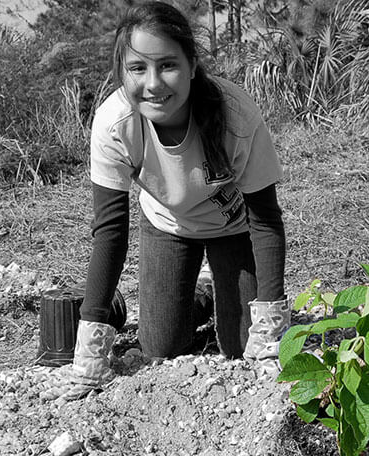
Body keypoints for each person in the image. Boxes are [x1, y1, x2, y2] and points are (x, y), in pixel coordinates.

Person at [55, 1, 289, 400]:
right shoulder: (115, 124)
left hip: (234, 229)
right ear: (120, 72)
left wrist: (269, 328)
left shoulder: (236, 115)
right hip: (168, 226)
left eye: (167, 65)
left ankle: (226, 293)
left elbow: (266, 220)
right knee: (160, 348)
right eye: (137, 68)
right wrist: (91, 349)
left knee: (241, 350)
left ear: (192, 66)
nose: (154, 83)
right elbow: (110, 231)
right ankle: (202, 293)